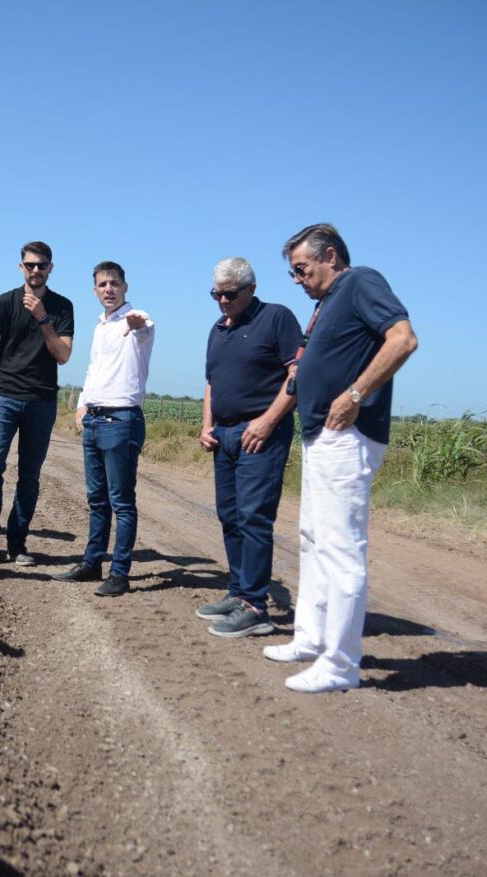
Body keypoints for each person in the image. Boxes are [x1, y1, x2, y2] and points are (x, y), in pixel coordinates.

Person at [267, 223, 418, 693]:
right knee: (313, 539)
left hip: (347, 435)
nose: (296, 279)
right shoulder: (326, 304)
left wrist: (355, 393)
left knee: (341, 549)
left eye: (301, 269)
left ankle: (340, 664)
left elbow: (403, 338)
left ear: (330, 256)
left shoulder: (360, 282)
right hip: (321, 436)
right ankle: (310, 639)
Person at [195, 257, 302, 637]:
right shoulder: (218, 329)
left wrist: (268, 421)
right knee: (230, 515)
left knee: (254, 517)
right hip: (223, 435)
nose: (222, 301)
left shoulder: (276, 318)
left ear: (251, 289)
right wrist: (207, 426)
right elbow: (211, 383)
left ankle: (256, 606)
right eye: (216, 294)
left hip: (260, 435)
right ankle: (238, 591)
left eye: (229, 294)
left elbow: (297, 373)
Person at [51, 261, 154, 596]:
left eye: (114, 283)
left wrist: (136, 321)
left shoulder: (138, 321)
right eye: (102, 285)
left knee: (121, 501)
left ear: (125, 286)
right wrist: (82, 404)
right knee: (97, 500)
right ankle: (92, 562)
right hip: (94, 419)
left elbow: (142, 325)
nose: (108, 289)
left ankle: (119, 572)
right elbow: (97, 368)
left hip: (122, 420)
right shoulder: (99, 325)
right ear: (94, 290)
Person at [0, 241, 74, 565]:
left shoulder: (62, 307)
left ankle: (17, 542)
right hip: (4, 398)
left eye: (41, 265)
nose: (35, 270)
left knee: (29, 475)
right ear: (21, 267)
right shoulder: (4, 302)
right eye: (30, 265)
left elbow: (63, 356)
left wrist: (44, 319)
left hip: (41, 401)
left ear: (50, 268)